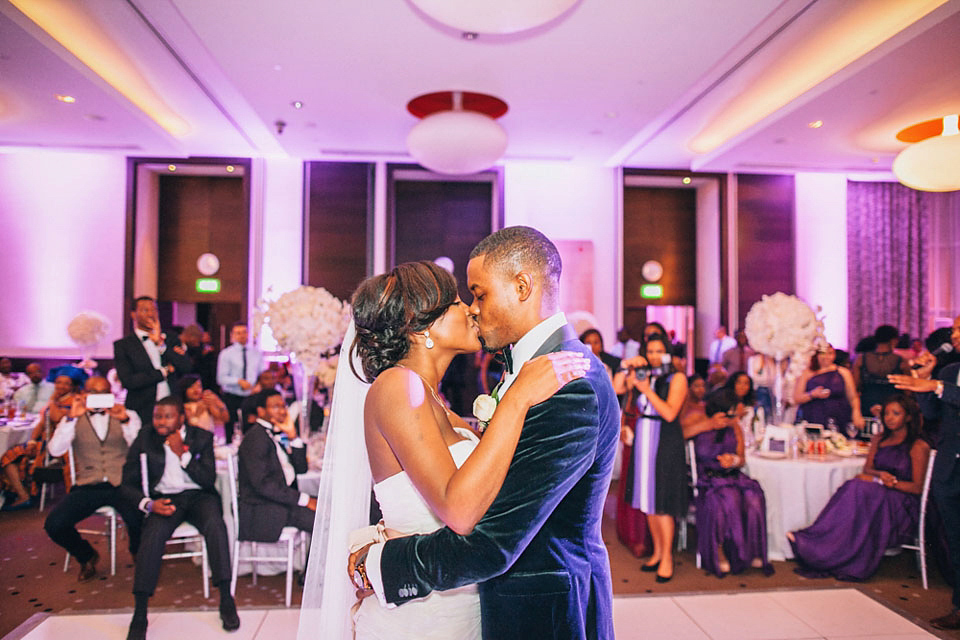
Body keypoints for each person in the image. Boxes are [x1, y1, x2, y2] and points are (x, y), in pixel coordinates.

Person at [343, 227, 617, 640]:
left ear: (522, 286)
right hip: (439, 615)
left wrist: (381, 562)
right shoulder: (418, 387)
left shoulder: (565, 381)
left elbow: (492, 542)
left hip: (541, 614)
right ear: (421, 329)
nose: (472, 309)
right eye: (461, 300)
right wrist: (515, 399)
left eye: (478, 294)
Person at [121, 396, 237, 640]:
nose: (161, 422)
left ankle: (226, 599)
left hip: (198, 497)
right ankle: (140, 612)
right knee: (151, 537)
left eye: (167, 416)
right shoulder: (145, 437)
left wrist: (181, 453)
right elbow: (127, 483)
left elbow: (207, 479)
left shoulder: (201, 437)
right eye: (157, 416)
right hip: (164, 500)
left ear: (181, 418)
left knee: (216, 526)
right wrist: (149, 504)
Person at [787, 394, 930, 581]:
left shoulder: (918, 446)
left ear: (908, 417)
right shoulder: (879, 439)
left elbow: (918, 488)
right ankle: (822, 544)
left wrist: (892, 483)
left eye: (896, 413)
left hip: (902, 501)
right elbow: (868, 469)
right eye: (887, 413)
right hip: (879, 493)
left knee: (860, 489)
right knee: (854, 486)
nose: (890, 418)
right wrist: (879, 477)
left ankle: (821, 544)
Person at [889, 314, 960, 629]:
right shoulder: (949, 371)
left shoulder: (946, 381)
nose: (954, 334)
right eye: (955, 328)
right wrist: (924, 382)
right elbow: (932, 414)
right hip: (949, 470)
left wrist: (937, 386)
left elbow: (946, 393)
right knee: (956, 540)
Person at [44, 376, 143, 581]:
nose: (99, 398)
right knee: (54, 524)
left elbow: (141, 450)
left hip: (122, 482)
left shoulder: (128, 414)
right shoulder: (71, 418)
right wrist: (71, 419)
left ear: (112, 394)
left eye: (104, 393)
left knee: (138, 516)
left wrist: (124, 421)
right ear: (83, 394)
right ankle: (86, 555)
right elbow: (55, 450)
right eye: (93, 393)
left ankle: (137, 551)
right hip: (89, 484)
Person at [616, 333, 689, 582]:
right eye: (651, 351)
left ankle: (667, 556)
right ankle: (657, 553)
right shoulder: (644, 374)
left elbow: (670, 413)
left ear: (668, 352)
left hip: (665, 441)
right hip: (643, 440)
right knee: (647, 502)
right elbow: (617, 387)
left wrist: (646, 389)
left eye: (659, 351)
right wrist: (626, 365)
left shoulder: (677, 378)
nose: (655, 356)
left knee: (662, 502)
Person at [684, 380, 772, 577]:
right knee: (728, 499)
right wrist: (709, 424)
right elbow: (682, 434)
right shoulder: (697, 419)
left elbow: (741, 458)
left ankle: (750, 552)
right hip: (709, 479)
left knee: (754, 498)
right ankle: (719, 552)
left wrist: (733, 460)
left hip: (732, 475)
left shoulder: (735, 426)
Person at [236, 389, 315, 541]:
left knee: (330, 509)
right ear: (261, 411)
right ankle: (317, 565)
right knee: (323, 521)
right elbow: (263, 485)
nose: (282, 410)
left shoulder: (274, 433)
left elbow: (301, 469)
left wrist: (293, 437)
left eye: (283, 405)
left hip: (281, 501)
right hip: (264, 509)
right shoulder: (255, 438)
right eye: (275, 407)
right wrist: (304, 500)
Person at [113, 296, 192, 425]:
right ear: (134, 314)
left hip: (172, 404)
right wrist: (163, 372)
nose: (151, 314)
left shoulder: (170, 338)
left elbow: (186, 367)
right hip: (141, 407)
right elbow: (129, 381)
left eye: (154, 310)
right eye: (145, 310)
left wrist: (161, 345)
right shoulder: (123, 345)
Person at [1, 373, 75, 509]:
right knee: (7, 457)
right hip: (41, 442)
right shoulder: (55, 401)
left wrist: (52, 400)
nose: (61, 386)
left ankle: (26, 493)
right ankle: (22, 494)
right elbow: (41, 424)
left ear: (71, 387)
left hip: (58, 447)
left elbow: (56, 417)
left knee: (21, 458)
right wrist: (32, 441)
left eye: (66, 383)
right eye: (58, 383)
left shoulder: (74, 402)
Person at [794, 344, 864, 431]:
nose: (827, 357)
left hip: (839, 415)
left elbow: (853, 397)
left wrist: (856, 413)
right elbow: (797, 398)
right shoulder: (807, 373)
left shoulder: (843, 372)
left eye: (830, 353)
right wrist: (812, 394)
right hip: (814, 416)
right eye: (823, 353)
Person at [217, 322, 262, 443]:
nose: (242, 335)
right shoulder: (226, 354)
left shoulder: (256, 353)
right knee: (231, 428)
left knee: (251, 428)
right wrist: (238, 381)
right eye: (238, 333)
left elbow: (261, 374)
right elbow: (221, 378)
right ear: (232, 335)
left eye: (244, 332)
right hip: (232, 395)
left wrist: (258, 385)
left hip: (251, 396)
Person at [854, 324, 909, 417]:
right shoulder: (900, 360)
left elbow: (855, 385)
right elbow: (908, 389)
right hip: (894, 408)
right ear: (894, 340)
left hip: (867, 404)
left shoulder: (861, 359)